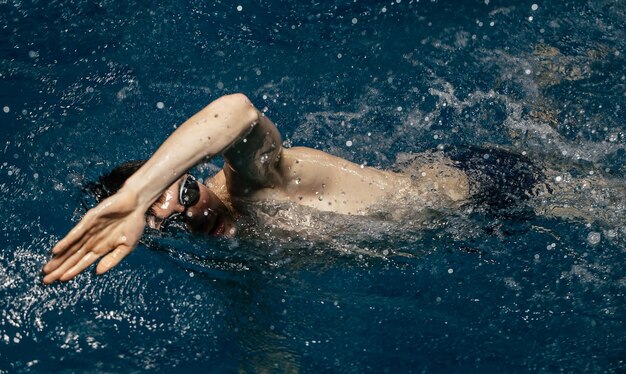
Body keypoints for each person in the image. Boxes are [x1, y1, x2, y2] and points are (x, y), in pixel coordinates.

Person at [42, 93, 541, 284]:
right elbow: (247, 295)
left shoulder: (255, 183)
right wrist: (265, 353)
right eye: (168, 223)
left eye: (187, 196)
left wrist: (135, 196)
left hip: (483, 188)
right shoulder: (221, 247)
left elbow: (237, 111)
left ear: (192, 174)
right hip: (458, 238)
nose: (190, 218)